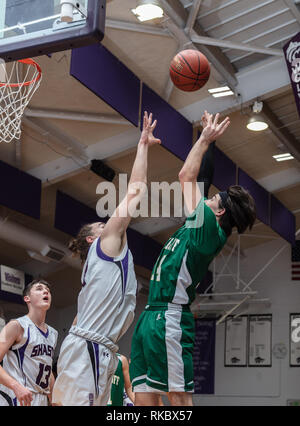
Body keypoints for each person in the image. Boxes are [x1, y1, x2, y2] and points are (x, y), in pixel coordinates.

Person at [129, 111, 257, 406]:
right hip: (151, 314)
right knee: (143, 398)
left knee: (179, 398)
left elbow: (187, 176)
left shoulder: (209, 230)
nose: (207, 197)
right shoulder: (201, 224)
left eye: (213, 199)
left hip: (170, 316)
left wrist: (203, 138)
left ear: (220, 211)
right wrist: (209, 143)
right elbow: (203, 177)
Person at [52, 112, 161, 406]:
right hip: (87, 350)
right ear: (92, 239)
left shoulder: (108, 260)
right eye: (101, 225)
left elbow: (79, 315)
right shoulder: (107, 246)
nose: (108, 223)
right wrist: (143, 145)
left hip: (99, 349)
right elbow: (136, 189)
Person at [0, 279, 57, 406]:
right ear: (27, 298)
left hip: (41, 398)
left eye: (47, 290)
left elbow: (46, 368)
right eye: (39, 289)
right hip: (17, 396)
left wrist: (54, 399)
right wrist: (15, 386)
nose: (45, 292)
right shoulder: (15, 325)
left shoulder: (53, 333)